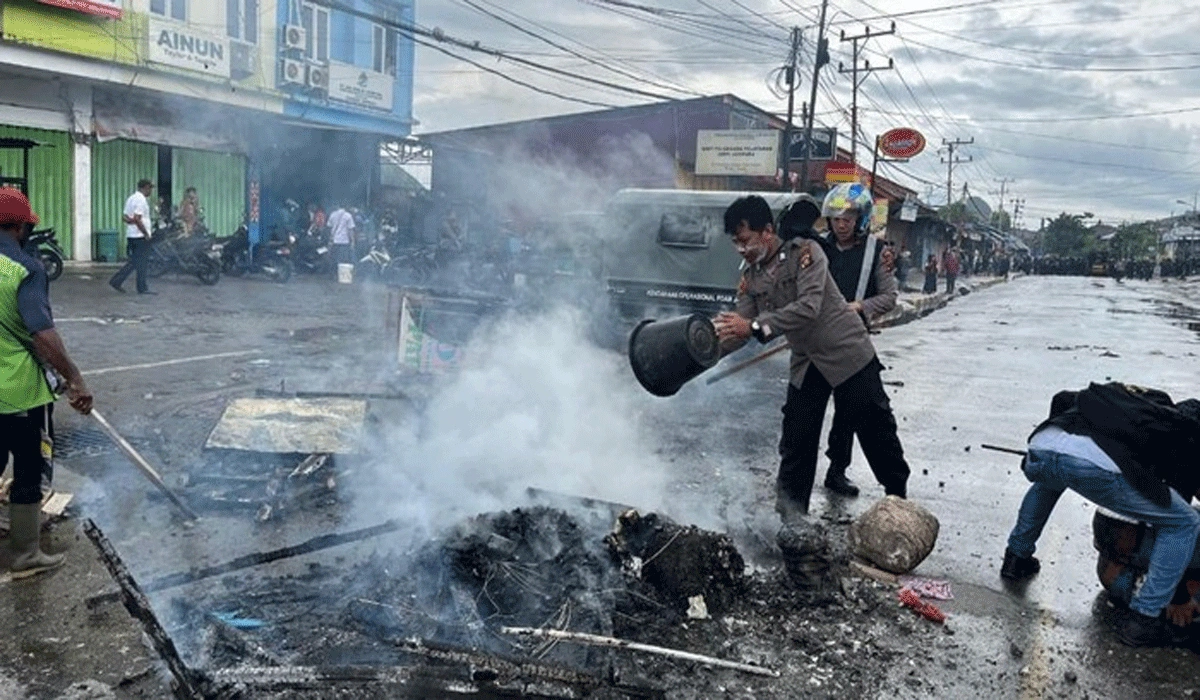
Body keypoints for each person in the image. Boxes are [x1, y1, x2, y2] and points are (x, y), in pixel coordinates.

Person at [713, 193, 910, 518]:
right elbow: (740, 328)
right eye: (735, 242)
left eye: (745, 240)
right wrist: (706, 350)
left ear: (767, 231)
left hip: (846, 351)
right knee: (797, 437)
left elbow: (808, 307)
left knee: (876, 431)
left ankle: (898, 501)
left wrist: (755, 326)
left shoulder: (806, 252)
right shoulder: (750, 277)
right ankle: (791, 517)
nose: (740, 249)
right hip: (807, 361)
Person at [1001, 383, 1200, 647]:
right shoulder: (1188, 435)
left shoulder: (1138, 408)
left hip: (1044, 444)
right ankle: (1143, 621)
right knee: (1183, 522)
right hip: (1090, 464)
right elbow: (1170, 512)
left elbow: (1062, 397)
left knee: (1053, 478)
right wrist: (1179, 597)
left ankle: (1016, 558)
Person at [0, 189, 93, 578]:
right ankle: (25, 555)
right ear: (21, 227)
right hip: (18, 391)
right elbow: (42, 334)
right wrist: (74, 378)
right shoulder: (27, 269)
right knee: (29, 467)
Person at [818, 184, 899, 497]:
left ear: (861, 220)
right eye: (836, 219)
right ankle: (794, 484)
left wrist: (860, 306)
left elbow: (889, 297)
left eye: (848, 219)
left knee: (851, 410)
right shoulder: (816, 247)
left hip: (851, 343)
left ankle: (837, 469)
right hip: (815, 342)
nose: (841, 225)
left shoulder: (877, 253)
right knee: (803, 412)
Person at [109, 179, 154, 294]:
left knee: (138, 262)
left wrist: (131, 221)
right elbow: (138, 218)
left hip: (131, 234)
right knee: (138, 262)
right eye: (150, 188)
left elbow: (124, 217)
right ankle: (118, 281)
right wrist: (146, 234)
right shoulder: (141, 200)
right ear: (145, 187)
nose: (151, 191)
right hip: (140, 236)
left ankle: (141, 287)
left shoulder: (131, 198)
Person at [327, 204, 355, 272]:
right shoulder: (348, 216)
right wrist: (352, 241)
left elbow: (329, 226)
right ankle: (341, 274)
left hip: (334, 241)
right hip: (344, 241)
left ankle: (333, 274)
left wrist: (330, 239)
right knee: (343, 260)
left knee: (333, 259)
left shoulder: (332, 215)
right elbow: (350, 230)